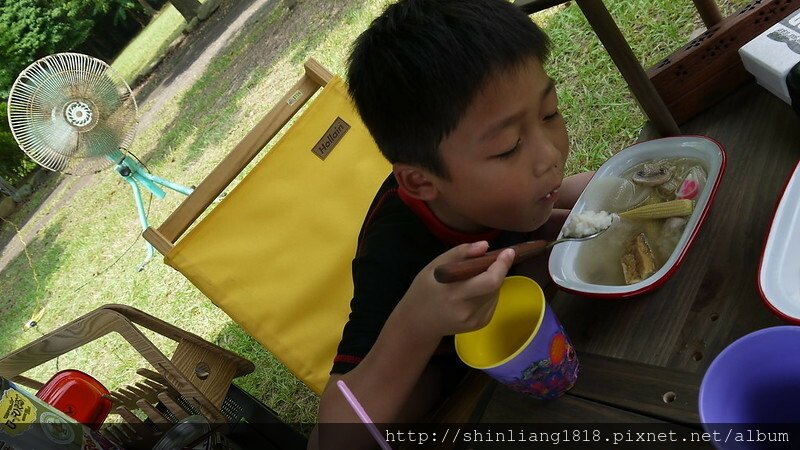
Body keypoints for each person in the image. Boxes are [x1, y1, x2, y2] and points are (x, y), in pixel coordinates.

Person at [310, 0, 593, 447]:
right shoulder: (395, 253)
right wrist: (417, 323)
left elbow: (537, 224)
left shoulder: (509, 194)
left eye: (550, 113)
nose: (550, 156)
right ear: (422, 182)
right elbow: (333, 439)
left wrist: (583, 200)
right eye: (507, 147)